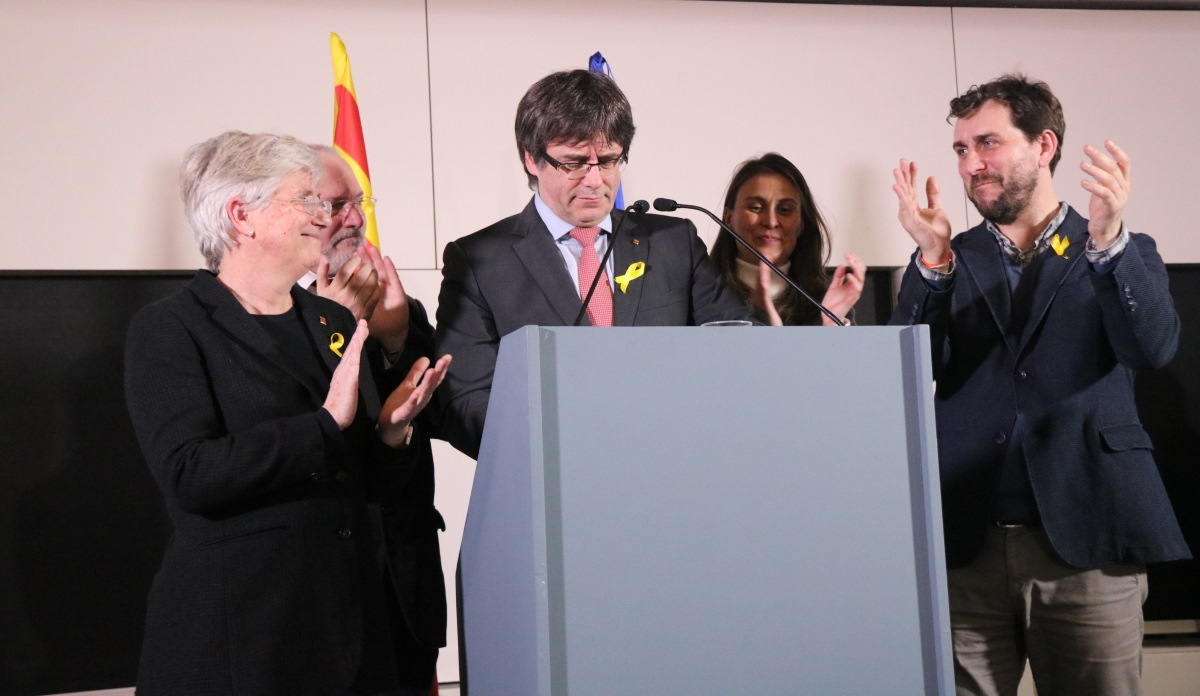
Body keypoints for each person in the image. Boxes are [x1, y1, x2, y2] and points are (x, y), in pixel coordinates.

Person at [889, 74, 1190, 696]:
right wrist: (933, 265)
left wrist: (1109, 244)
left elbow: (1152, 348)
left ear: (1044, 145)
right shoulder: (947, 257)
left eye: (989, 144)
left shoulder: (1116, 248)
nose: (973, 164)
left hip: (1091, 543)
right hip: (964, 549)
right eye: (962, 150)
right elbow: (909, 375)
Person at [125, 131, 450, 696]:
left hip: (352, 637)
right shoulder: (172, 329)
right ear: (240, 216)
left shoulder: (332, 322)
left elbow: (362, 483)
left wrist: (390, 434)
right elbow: (190, 474)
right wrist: (323, 426)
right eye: (305, 199)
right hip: (243, 642)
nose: (324, 214)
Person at [433, 68, 760, 461]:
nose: (594, 181)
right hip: (550, 481)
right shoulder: (480, 261)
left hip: (670, 468)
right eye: (573, 164)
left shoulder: (673, 243)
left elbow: (738, 353)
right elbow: (463, 402)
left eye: (607, 161)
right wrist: (569, 441)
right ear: (531, 159)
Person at [301, 144, 446, 693]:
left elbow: (434, 414)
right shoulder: (264, 315)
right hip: (319, 593)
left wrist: (393, 338)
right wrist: (331, 323)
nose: (357, 220)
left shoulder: (396, 304)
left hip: (404, 586)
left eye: (360, 202)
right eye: (338, 204)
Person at [711, 152, 865, 325]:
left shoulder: (823, 301)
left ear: (801, 225)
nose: (770, 221)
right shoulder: (703, 292)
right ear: (728, 218)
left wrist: (830, 326)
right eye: (755, 207)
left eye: (784, 210)